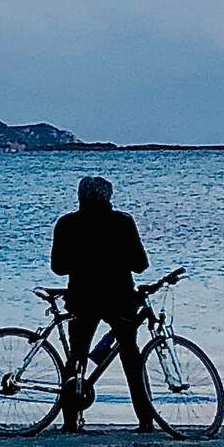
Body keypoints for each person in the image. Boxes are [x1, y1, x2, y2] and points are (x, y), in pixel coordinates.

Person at [49, 175, 158, 433]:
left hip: (82, 298)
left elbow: (58, 267)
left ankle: (70, 421)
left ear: (80, 197)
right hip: (119, 298)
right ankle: (145, 419)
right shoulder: (122, 222)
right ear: (108, 197)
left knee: (76, 358)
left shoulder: (66, 224)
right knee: (131, 357)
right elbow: (141, 265)